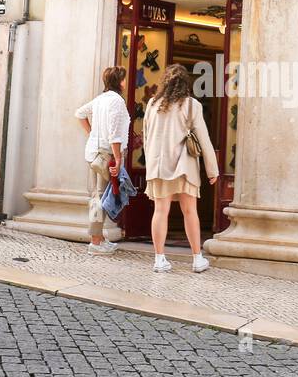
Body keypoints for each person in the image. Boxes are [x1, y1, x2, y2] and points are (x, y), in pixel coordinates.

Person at [142, 64, 218, 273]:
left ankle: (159, 259)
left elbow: (147, 138)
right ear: (186, 83)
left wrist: (150, 165)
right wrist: (212, 170)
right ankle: (197, 259)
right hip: (184, 166)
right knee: (190, 211)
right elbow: (204, 139)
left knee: (160, 211)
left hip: (158, 165)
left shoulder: (152, 104)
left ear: (165, 82)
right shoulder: (191, 105)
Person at [75, 66, 129, 256]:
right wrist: (118, 158)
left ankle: (99, 238)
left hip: (93, 153)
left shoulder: (100, 99)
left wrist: (91, 133)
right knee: (100, 198)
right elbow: (115, 133)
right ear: (119, 81)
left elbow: (79, 114)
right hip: (106, 154)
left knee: (97, 196)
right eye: (124, 78)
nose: (125, 81)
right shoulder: (117, 101)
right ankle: (95, 242)